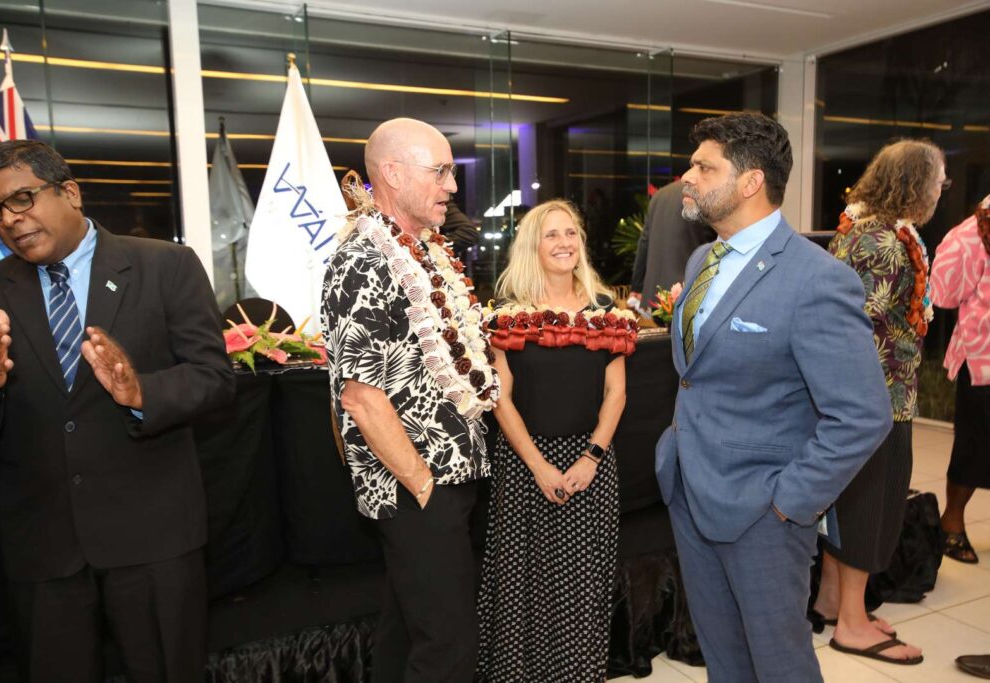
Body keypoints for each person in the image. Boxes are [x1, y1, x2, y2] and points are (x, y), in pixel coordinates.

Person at [0, 140, 234, 682]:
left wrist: (141, 393)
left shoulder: (165, 266)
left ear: (70, 192)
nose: (10, 221)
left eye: (22, 199)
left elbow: (214, 379)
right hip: (43, 545)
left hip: (153, 534)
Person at [654, 112, 892, 682]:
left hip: (764, 512)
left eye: (704, 167)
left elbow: (863, 415)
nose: (688, 177)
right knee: (724, 660)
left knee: (780, 666)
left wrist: (789, 502)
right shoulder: (703, 259)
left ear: (750, 181)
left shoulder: (816, 279)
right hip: (691, 490)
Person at [321, 117, 499, 683]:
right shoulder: (363, 262)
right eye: (440, 171)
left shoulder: (422, 251)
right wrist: (422, 485)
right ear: (393, 174)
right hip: (417, 486)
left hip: (446, 479)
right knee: (448, 645)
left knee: (406, 635)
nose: (452, 185)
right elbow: (360, 397)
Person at [477, 199, 634, 682]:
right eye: (552, 234)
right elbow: (501, 399)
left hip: (591, 465)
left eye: (571, 233)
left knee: (584, 587)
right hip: (524, 466)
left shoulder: (605, 310)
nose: (564, 243)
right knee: (521, 586)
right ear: (533, 246)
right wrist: (538, 466)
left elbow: (616, 393)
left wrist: (591, 458)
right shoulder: (508, 314)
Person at [815, 139, 947, 666]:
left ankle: (832, 600)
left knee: (848, 503)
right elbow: (859, 328)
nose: (941, 189)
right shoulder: (886, 244)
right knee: (870, 509)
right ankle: (851, 624)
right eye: (937, 180)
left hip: (865, 400)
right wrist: (862, 406)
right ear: (914, 183)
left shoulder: (865, 230)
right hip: (876, 402)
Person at [931, 194, 990, 564]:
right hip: (983, 357)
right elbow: (944, 294)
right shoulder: (970, 235)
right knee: (975, 445)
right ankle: (951, 522)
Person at [629, 179, 714, 311]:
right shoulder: (701, 194)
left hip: (655, 295)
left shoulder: (659, 195)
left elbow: (644, 243)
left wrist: (637, 286)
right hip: (687, 294)